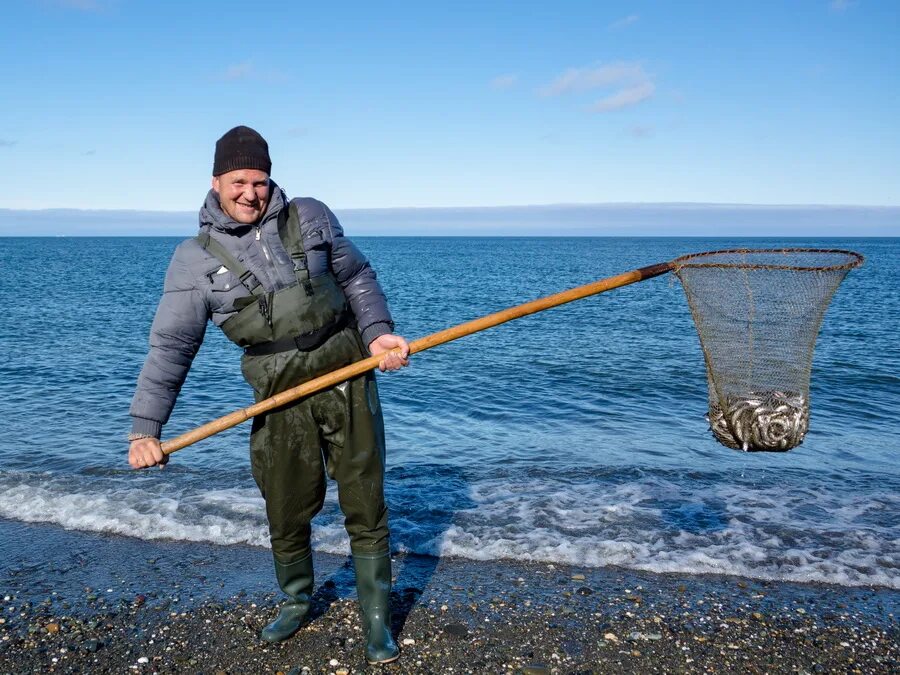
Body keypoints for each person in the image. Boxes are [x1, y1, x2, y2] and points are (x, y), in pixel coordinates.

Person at [127, 126, 409, 664]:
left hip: (347, 371)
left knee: (364, 498)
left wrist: (378, 333)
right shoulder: (193, 259)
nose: (250, 193)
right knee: (285, 503)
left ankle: (378, 619)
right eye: (238, 181)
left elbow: (357, 277)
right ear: (215, 182)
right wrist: (146, 428)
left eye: (259, 181)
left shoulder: (310, 215)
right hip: (277, 394)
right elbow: (171, 348)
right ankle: (297, 599)